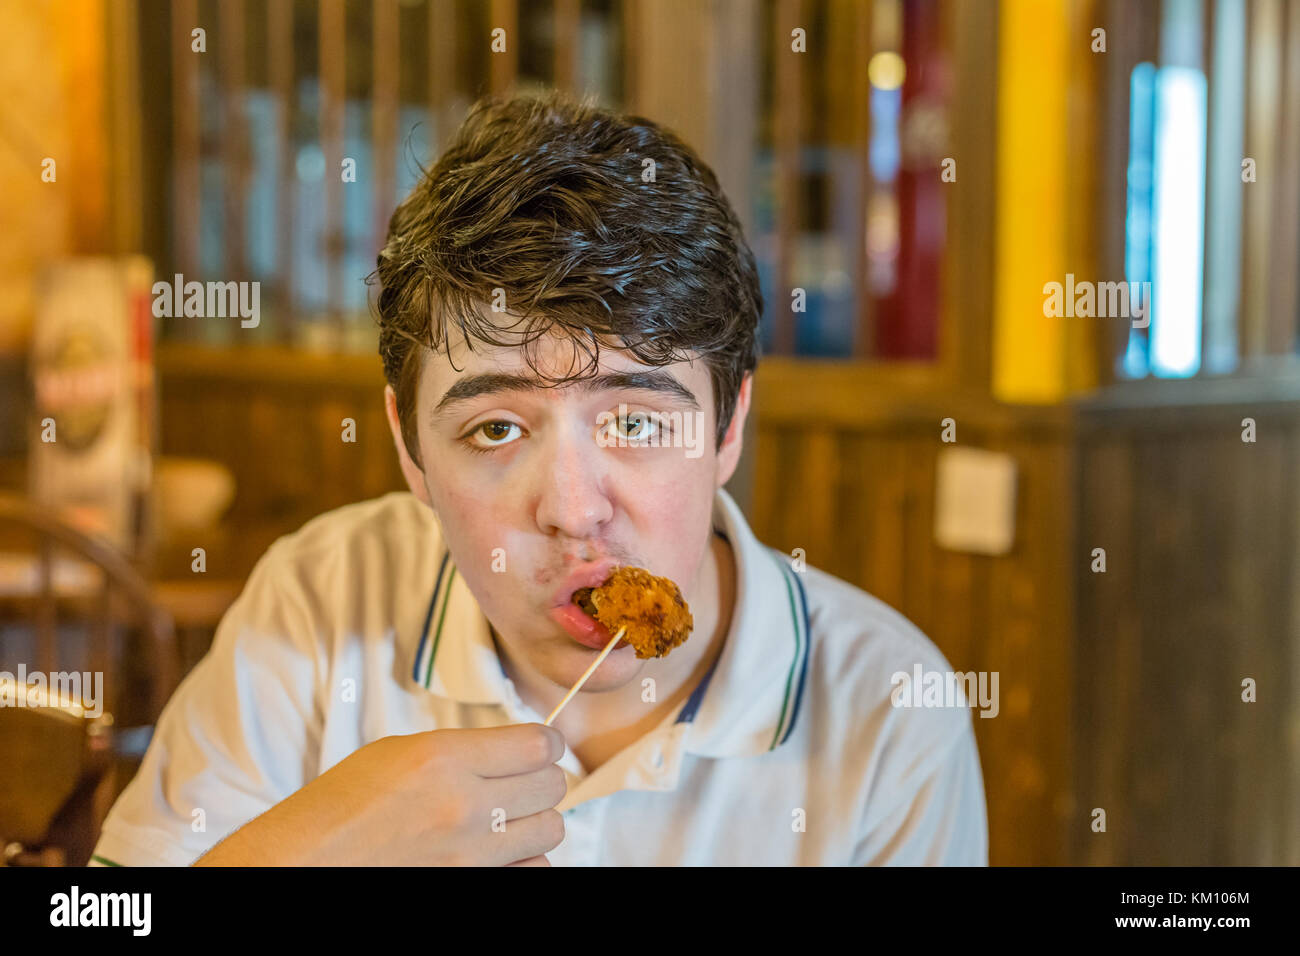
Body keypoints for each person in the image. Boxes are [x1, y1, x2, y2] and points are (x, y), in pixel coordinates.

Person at [90, 90, 987, 866]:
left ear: (727, 427)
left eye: (635, 420)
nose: (570, 509)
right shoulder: (322, 605)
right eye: (494, 428)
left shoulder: (888, 708)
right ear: (411, 449)